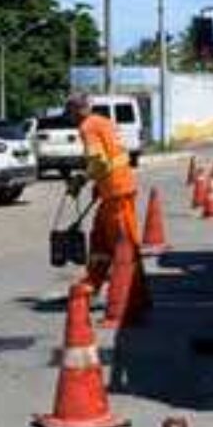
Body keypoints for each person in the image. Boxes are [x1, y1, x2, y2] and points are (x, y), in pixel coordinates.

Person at [65, 93, 140, 284]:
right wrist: (98, 184)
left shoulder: (87, 127)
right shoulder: (103, 122)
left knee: (123, 243)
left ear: (78, 110)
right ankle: (94, 279)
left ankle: (133, 292)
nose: (68, 116)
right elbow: (114, 156)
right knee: (99, 236)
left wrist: (82, 179)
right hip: (116, 187)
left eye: (70, 111)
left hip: (117, 191)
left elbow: (99, 162)